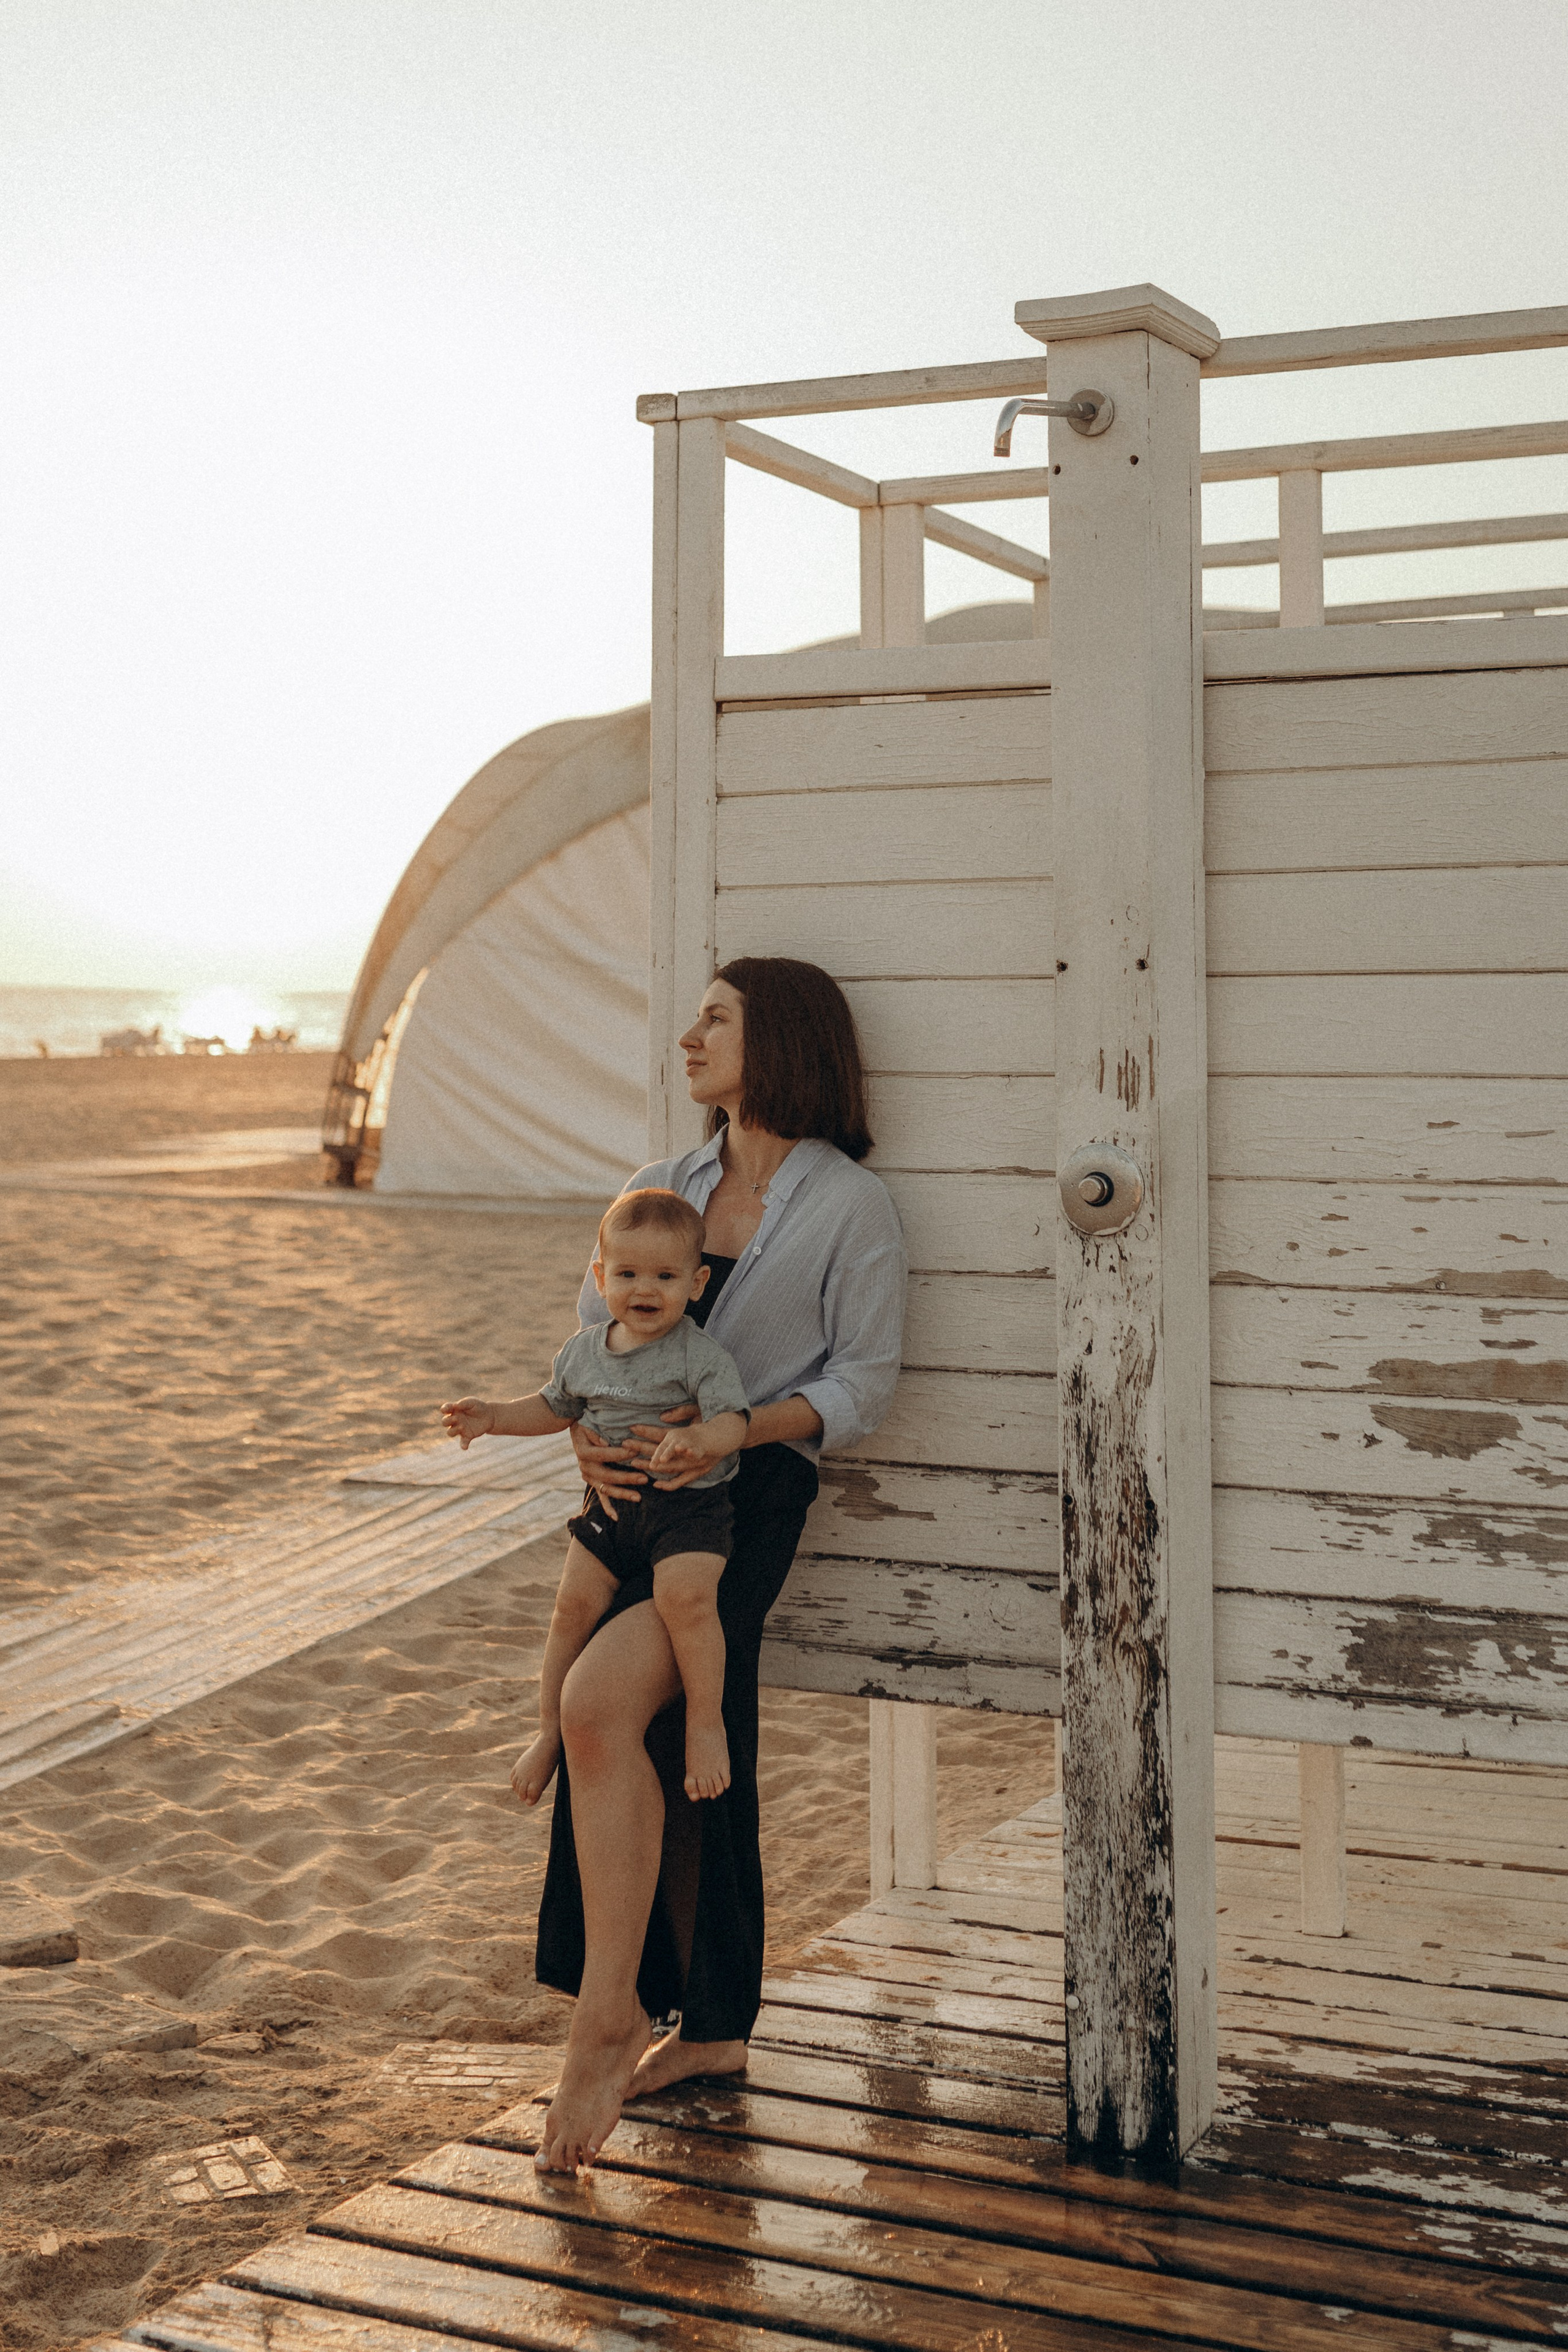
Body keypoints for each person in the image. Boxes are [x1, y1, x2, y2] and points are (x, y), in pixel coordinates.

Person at [532, 954, 907, 2175]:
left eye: (715, 1018)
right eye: (691, 1013)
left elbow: (863, 1377)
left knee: (600, 1705)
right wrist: (590, 1430)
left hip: (749, 1502)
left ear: (780, 1039)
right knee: (659, 1744)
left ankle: (607, 2017)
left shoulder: (849, 1205)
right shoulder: (663, 1184)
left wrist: (739, 1430)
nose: (686, 1034)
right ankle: (710, 2024)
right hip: (636, 1496)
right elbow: (594, 1338)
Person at [440, 1188, 750, 1803]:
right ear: (599, 1277)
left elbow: (735, 1421)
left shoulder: (699, 1355)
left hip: (688, 1507)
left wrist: (700, 1439)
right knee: (570, 1608)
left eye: (666, 1275)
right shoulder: (583, 1352)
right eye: (628, 1273)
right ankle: (549, 1732)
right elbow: (554, 1407)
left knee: (686, 1599)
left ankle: (705, 1722)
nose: (645, 1288)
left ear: (696, 1282)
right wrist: (494, 1416)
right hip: (610, 1507)